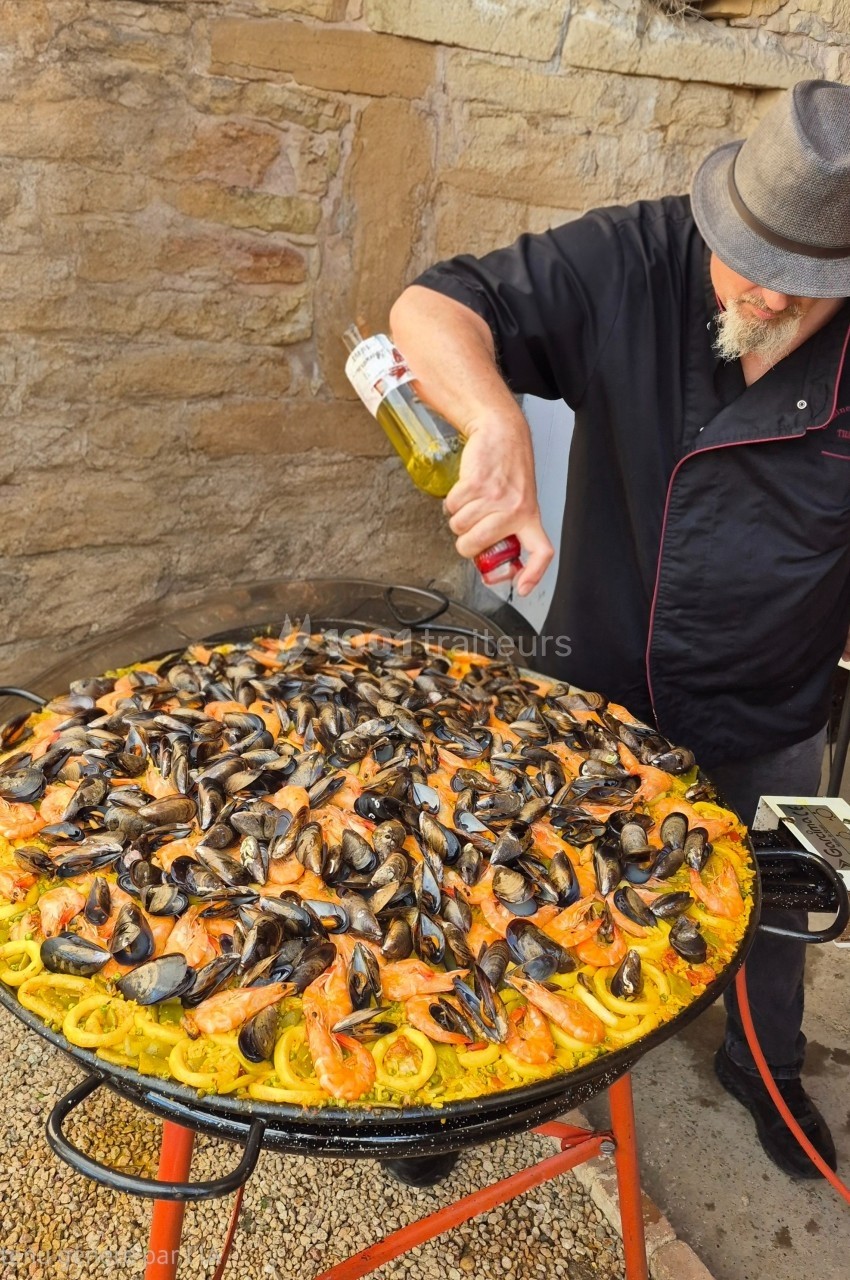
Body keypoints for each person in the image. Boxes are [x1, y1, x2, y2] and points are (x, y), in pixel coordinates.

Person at [384, 79, 850, 1186]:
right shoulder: (638, 255)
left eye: (802, 283)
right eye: (747, 263)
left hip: (779, 701)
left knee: (780, 907)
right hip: (593, 683)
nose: (763, 295)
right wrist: (495, 420)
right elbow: (428, 308)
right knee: (519, 886)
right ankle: (473, 1086)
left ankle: (766, 1067)